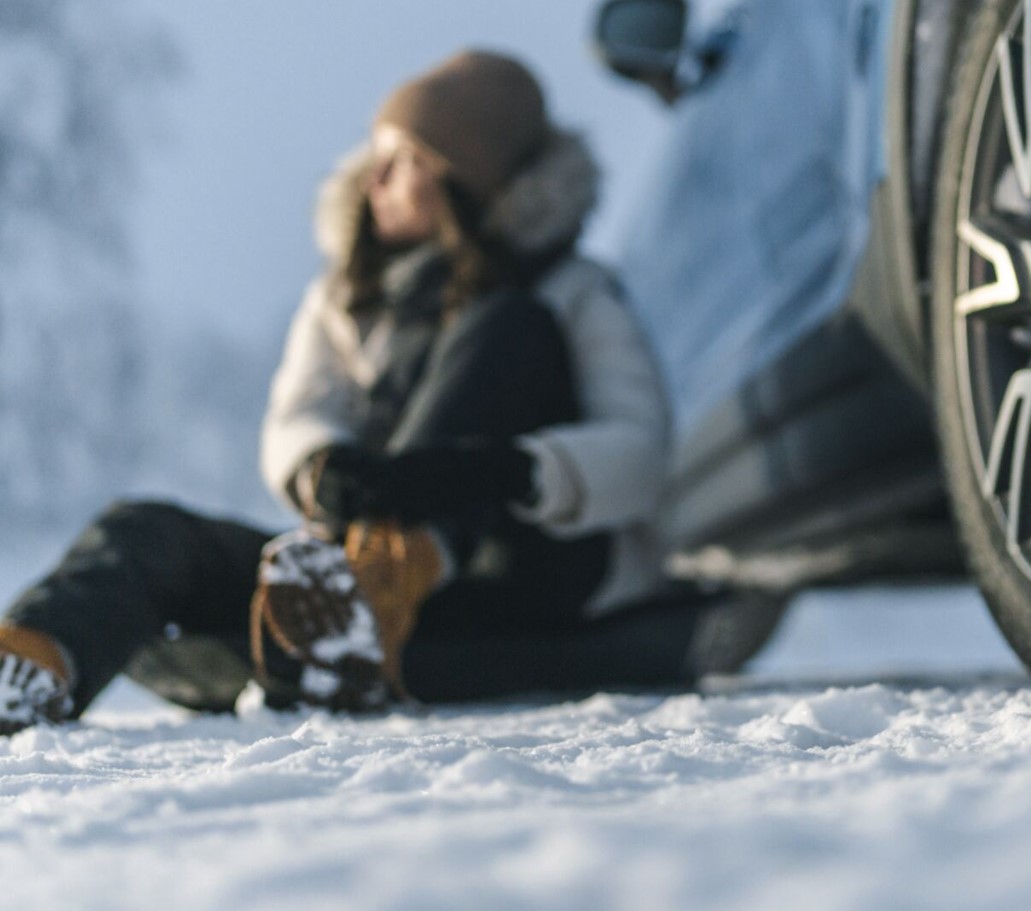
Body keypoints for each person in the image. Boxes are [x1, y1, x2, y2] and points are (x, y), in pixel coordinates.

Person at [0, 50, 778, 734]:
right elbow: (297, 416)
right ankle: (32, 664)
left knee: (507, 327)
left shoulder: (572, 294)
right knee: (148, 532)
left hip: (517, 575)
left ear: (465, 182)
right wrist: (319, 467)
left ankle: (375, 596)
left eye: (402, 159)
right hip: (341, 577)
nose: (374, 176)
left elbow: (640, 451)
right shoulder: (346, 299)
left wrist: (505, 471)